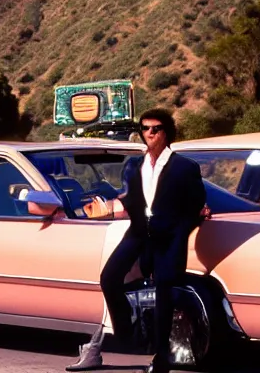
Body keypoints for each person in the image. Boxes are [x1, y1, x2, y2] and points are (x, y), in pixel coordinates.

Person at [66, 108, 207, 373]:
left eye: (156, 128)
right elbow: (131, 200)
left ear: (167, 133)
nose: (149, 133)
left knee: (164, 294)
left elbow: (194, 204)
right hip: (139, 232)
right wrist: (106, 207)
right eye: (145, 128)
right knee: (109, 278)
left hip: (168, 237)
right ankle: (126, 334)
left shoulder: (185, 167)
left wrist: (182, 230)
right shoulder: (134, 166)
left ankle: (161, 359)